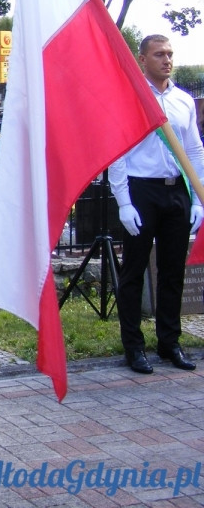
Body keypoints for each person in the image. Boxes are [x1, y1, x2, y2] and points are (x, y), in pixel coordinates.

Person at [109, 34, 204, 375]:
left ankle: (169, 342)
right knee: (134, 271)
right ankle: (134, 346)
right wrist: (124, 202)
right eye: (159, 54)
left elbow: (193, 149)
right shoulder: (130, 97)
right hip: (141, 190)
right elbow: (117, 151)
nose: (167, 60)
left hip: (176, 190)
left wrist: (197, 198)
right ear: (142, 59)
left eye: (170, 54)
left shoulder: (183, 100)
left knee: (173, 271)